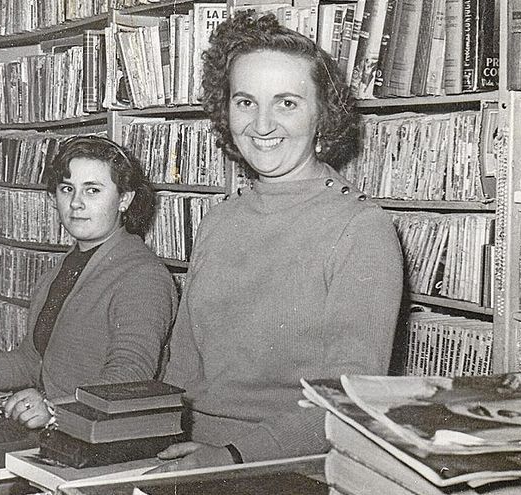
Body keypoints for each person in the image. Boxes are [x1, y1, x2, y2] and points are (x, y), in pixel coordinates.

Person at [154, 12, 404, 470]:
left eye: (286, 103)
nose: (262, 125)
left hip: (289, 465)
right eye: (245, 102)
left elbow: (347, 402)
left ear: (322, 114)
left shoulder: (362, 229)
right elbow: (183, 369)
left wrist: (231, 457)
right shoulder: (219, 219)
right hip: (189, 454)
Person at [0, 135, 178, 430]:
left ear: (124, 199)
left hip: (98, 436)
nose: (76, 203)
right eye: (66, 189)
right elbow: (29, 362)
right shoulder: (67, 265)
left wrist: (52, 409)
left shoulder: (142, 274)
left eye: (93, 190)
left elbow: (130, 377)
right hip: (58, 426)